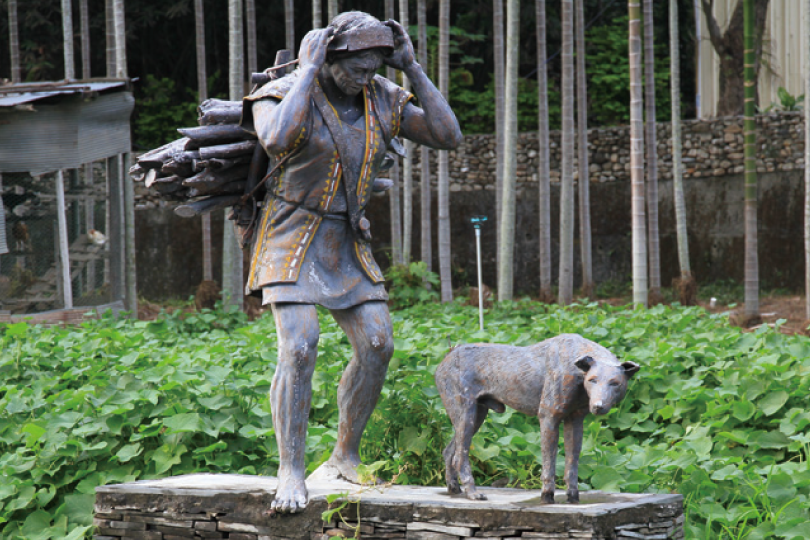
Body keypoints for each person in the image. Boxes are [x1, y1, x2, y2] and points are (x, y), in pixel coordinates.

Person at [240, 11, 462, 513]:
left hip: (346, 240)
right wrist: (307, 69)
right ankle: (290, 470)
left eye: (374, 66)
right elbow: (276, 139)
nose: (365, 75)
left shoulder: (383, 96)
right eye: (357, 67)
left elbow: (447, 135)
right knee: (300, 346)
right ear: (330, 56)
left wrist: (412, 68)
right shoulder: (281, 93)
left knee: (378, 343)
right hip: (290, 235)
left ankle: (345, 454)